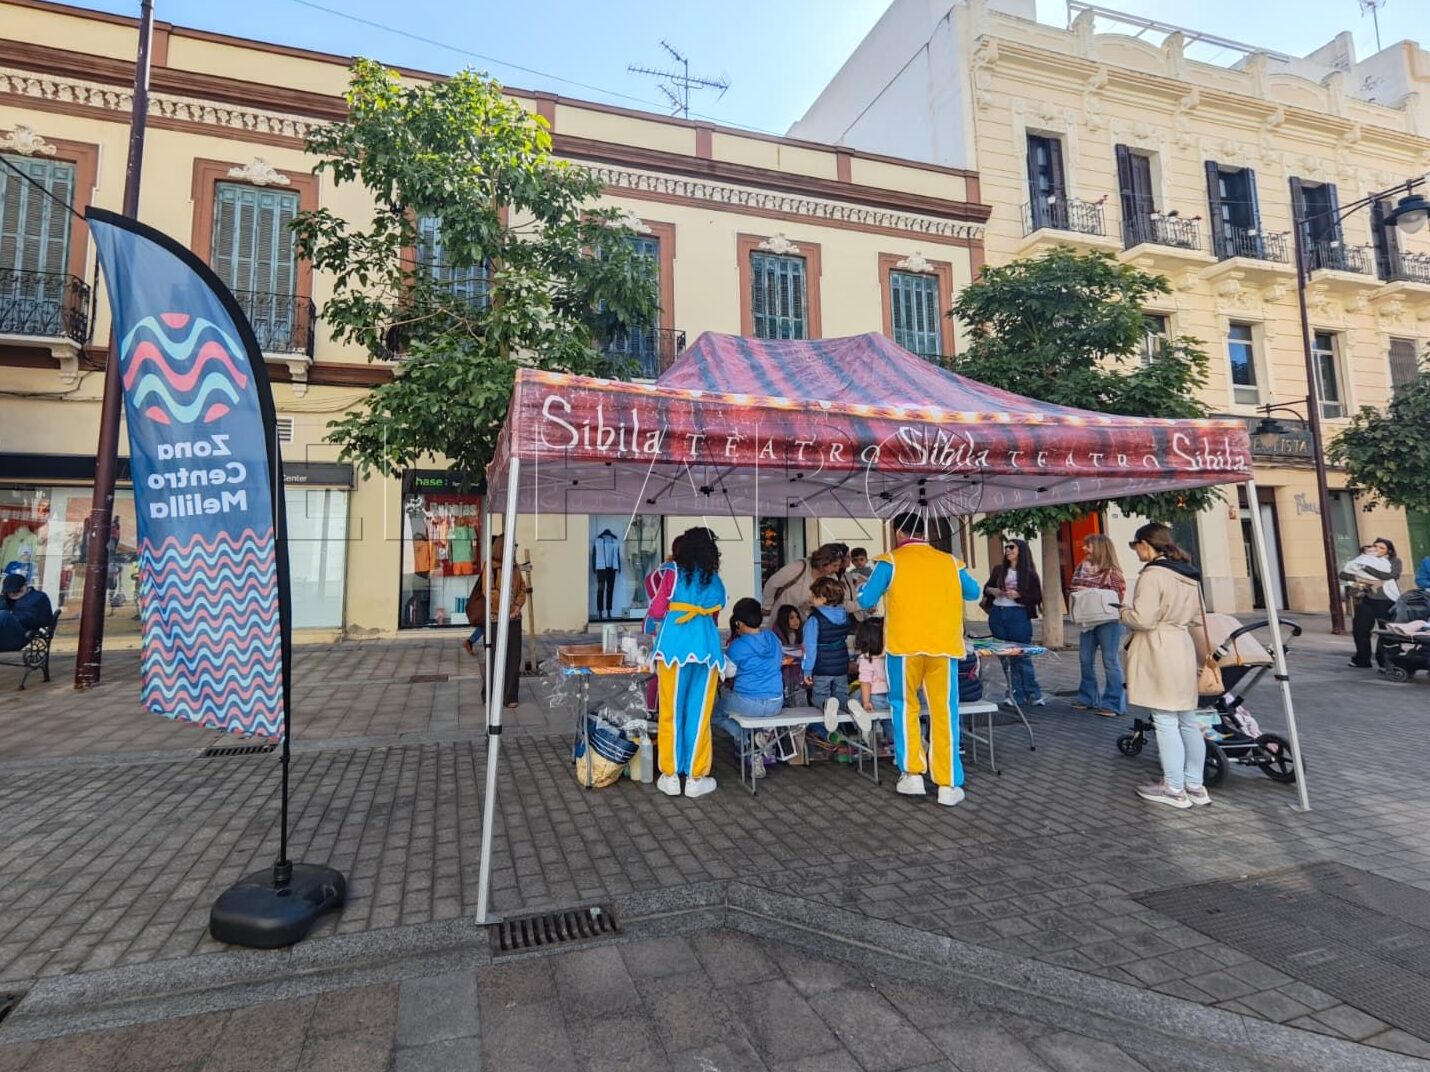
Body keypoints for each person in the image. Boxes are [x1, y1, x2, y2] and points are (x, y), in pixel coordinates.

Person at [857, 512, 981, 806]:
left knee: (905, 707)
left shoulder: (891, 561)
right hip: (944, 648)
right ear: (924, 533)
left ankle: (912, 774)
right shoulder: (951, 562)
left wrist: (865, 588)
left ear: (899, 532)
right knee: (944, 711)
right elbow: (973, 592)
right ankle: (948, 783)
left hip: (904, 648)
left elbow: (865, 600)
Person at [1122, 523, 1208, 810]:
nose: (1136, 552)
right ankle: (1194, 784)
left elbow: (1143, 619)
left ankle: (1173, 787)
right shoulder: (1187, 573)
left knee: (1165, 719)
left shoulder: (1153, 575)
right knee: (1187, 719)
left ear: (1146, 544)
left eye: (1136, 547)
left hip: (1158, 646)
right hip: (1182, 643)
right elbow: (1198, 617)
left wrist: (1123, 613)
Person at [650, 527, 726, 798]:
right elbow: (716, 614)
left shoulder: (671, 572)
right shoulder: (714, 578)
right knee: (699, 712)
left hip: (673, 646)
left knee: (671, 710)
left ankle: (670, 775)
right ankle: (695, 777)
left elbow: (658, 610)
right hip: (706, 647)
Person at [711, 598, 785, 779]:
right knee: (747, 715)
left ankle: (747, 739)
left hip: (748, 702)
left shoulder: (738, 646)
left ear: (739, 623)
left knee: (714, 714)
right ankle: (756, 751)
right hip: (776, 702)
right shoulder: (773, 638)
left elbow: (727, 673)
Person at [982, 538, 1046, 707]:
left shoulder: (1029, 573)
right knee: (1004, 655)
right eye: (1006, 547)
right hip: (998, 613)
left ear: (1021, 551)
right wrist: (993, 590)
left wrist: (1019, 596)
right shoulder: (998, 570)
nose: (1008, 550)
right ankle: (1014, 692)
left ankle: (1033, 692)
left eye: (1012, 547)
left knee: (1022, 654)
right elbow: (986, 588)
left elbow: (1036, 596)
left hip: (1017, 614)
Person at [1069, 533, 1127, 717]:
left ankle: (1114, 702)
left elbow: (1118, 595)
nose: (1084, 548)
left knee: (1110, 660)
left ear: (1100, 548)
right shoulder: (1081, 567)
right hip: (1088, 619)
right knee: (1085, 659)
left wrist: (1089, 591)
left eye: (1089, 546)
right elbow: (1073, 586)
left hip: (1108, 621)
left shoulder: (1113, 571)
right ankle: (1087, 697)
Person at [801, 576, 859, 733]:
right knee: (841, 692)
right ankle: (848, 705)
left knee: (819, 695)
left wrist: (807, 670)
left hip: (822, 665)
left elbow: (810, 647)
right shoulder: (844, 615)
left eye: (814, 595)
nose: (811, 598)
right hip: (841, 662)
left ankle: (826, 704)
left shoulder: (815, 619)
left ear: (823, 598)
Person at [1341, 537, 1402, 669]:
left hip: (1386, 601)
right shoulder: (1363, 558)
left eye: (1381, 548)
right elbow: (1344, 574)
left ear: (1389, 551)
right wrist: (1358, 576)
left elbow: (1390, 575)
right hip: (1366, 599)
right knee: (1360, 630)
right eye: (1375, 546)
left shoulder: (1394, 561)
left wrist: (1366, 568)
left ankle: (1385, 661)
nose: (1377, 550)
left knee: (1386, 632)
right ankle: (1362, 659)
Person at [760, 544, 855, 622]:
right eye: (834, 565)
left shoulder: (831, 577)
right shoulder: (798, 567)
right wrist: (767, 606)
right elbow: (772, 584)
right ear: (824, 562)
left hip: (808, 624)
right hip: (783, 622)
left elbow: (837, 600)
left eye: (838, 566)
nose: (837, 569)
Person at [483, 543, 526, 711]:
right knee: (495, 657)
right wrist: (506, 609)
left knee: (514, 658)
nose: (515, 550)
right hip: (496, 618)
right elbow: (489, 591)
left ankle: (510, 695)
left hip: (514, 618)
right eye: (513, 546)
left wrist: (516, 607)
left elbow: (522, 587)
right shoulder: (491, 567)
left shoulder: (515, 566)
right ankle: (491, 693)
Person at [0, 573, 53, 650]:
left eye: (16, 590)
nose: (13, 594)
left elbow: (45, 619)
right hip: (4, 634)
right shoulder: (6, 599)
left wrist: (15, 617)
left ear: (25, 586)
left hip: (23, 634)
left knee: (3, 615)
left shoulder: (39, 597)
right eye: (9, 592)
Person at [851, 617, 890, 716]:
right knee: (889, 721)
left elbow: (866, 682)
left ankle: (859, 719)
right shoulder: (891, 655)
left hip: (874, 696)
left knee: (853, 697)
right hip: (891, 696)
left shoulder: (866, 658)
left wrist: (866, 702)